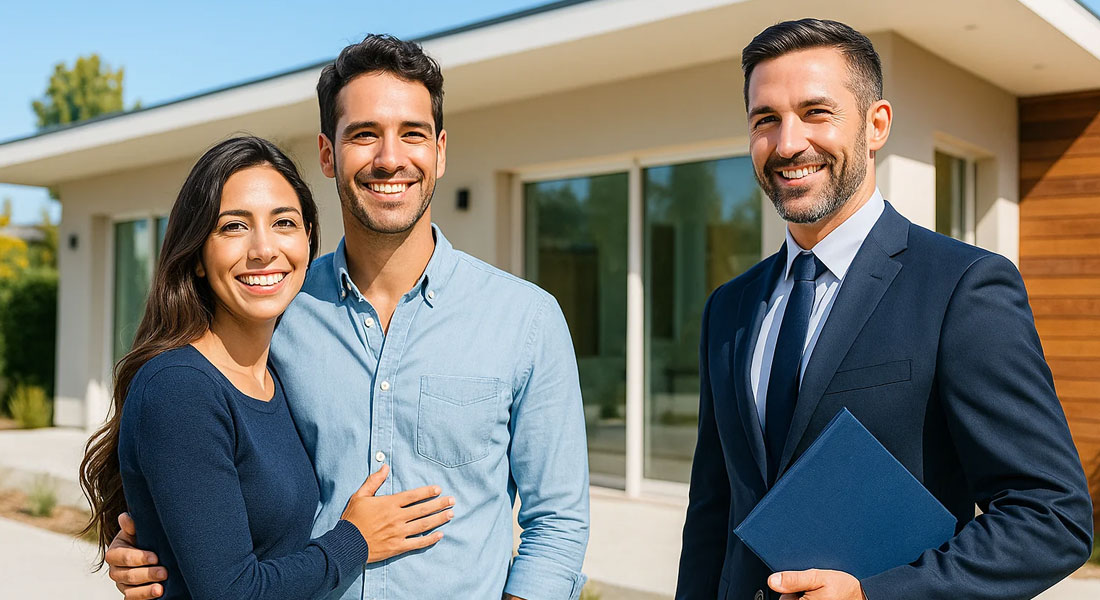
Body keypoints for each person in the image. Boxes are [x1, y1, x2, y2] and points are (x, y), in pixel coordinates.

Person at [102, 35, 590, 600]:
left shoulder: (525, 319)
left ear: (441, 150)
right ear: (328, 154)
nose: (390, 158)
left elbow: (558, 522)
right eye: (364, 135)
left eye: (412, 133)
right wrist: (161, 548)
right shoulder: (275, 310)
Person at [675, 18, 1093, 600]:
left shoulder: (962, 288)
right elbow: (713, 512)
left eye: (816, 112)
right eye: (765, 119)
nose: (788, 143)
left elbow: (1052, 517)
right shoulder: (729, 308)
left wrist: (879, 595)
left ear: (877, 125)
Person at [78, 136, 456, 599]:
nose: (263, 249)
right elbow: (233, 591)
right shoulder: (181, 388)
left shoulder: (277, 374)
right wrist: (355, 541)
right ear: (197, 255)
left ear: (308, 241)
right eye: (234, 226)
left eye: (284, 222)